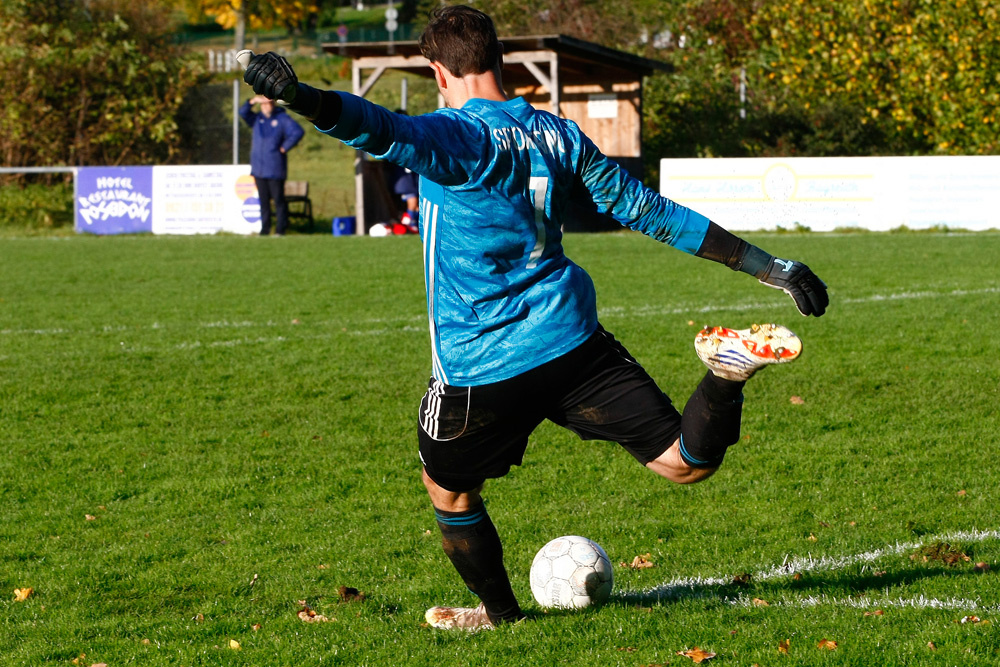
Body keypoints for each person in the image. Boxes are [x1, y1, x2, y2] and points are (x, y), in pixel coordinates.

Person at [240, 4, 828, 631]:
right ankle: (725, 377)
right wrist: (772, 269)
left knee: (448, 490)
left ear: (438, 71)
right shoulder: (559, 135)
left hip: (483, 363)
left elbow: (375, 126)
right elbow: (650, 211)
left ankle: (500, 617)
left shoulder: (453, 135)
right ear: (498, 59)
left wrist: (299, 94)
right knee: (684, 462)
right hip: (571, 340)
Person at [239, 94, 305, 235]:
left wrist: (285, 147)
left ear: (273, 104)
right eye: (263, 104)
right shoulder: (257, 119)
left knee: (278, 201)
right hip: (259, 169)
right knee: (263, 202)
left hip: (275, 167)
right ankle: (265, 229)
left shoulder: (281, 119)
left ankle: (281, 230)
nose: (266, 106)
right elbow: (242, 113)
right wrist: (252, 101)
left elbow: (298, 131)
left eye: (268, 103)